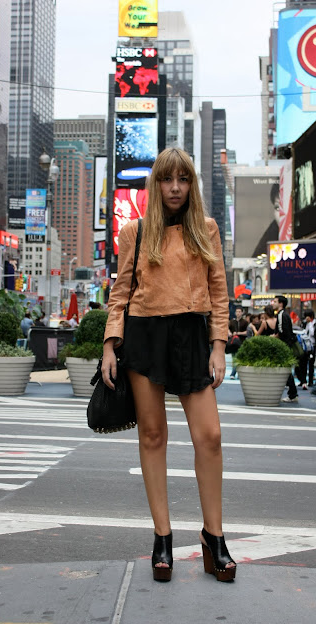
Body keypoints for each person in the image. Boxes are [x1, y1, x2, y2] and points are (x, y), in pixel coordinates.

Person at [101, 148, 236, 583]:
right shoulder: (134, 231)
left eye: (183, 179)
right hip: (144, 335)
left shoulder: (206, 229)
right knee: (153, 434)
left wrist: (219, 345)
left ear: (191, 184)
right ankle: (162, 536)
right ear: (155, 183)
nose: (175, 187)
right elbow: (121, 292)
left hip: (191, 336)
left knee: (210, 436)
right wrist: (110, 344)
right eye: (166, 179)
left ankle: (214, 536)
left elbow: (219, 291)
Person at [274, 295, 299, 403]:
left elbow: (282, 332)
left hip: (284, 346)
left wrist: (273, 337)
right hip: (286, 345)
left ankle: (292, 394)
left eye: (275, 301)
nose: (273, 303)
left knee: (285, 370)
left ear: (281, 303)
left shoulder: (281, 315)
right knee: (286, 370)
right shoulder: (285, 314)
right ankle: (292, 393)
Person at [228, 306, 248, 379]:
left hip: (241, 342)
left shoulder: (245, 322)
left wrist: (238, 333)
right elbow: (227, 328)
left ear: (242, 313)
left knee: (238, 358)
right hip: (233, 342)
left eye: (239, 312)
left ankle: (233, 373)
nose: (238, 313)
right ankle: (237, 373)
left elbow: (247, 332)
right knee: (234, 358)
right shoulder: (232, 321)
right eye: (237, 312)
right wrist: (229, 333)